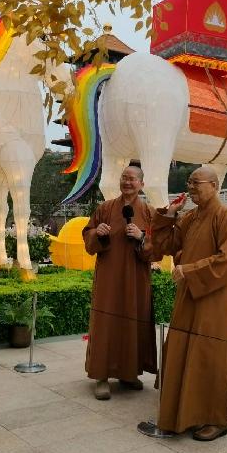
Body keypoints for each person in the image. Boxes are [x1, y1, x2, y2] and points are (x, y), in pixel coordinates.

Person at [148, 166, 227, 441]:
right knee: (183, 349)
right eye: (189, 183)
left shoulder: (225, 216)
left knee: (209, 354)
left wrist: (190, 270)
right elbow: (164, 246)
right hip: (191, 292)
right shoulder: (190, 217)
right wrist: (169, 215)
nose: (191, 187)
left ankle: (216, 419)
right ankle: (186, 412)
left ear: (214, 185)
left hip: (216, 297)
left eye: (197, 183)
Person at [82, 165, 157, 400]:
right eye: (124, 177)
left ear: (141, 184)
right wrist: (97, 233)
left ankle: (129, 373)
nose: (127, 182)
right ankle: (101, 376)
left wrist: (142, 237)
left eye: (132, 179)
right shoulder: (105, 208)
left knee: (133, 323)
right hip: (109, 278)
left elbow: (159, 246)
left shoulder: (149, 212)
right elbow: (88, 235)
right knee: (105, 323)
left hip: (136, 279)